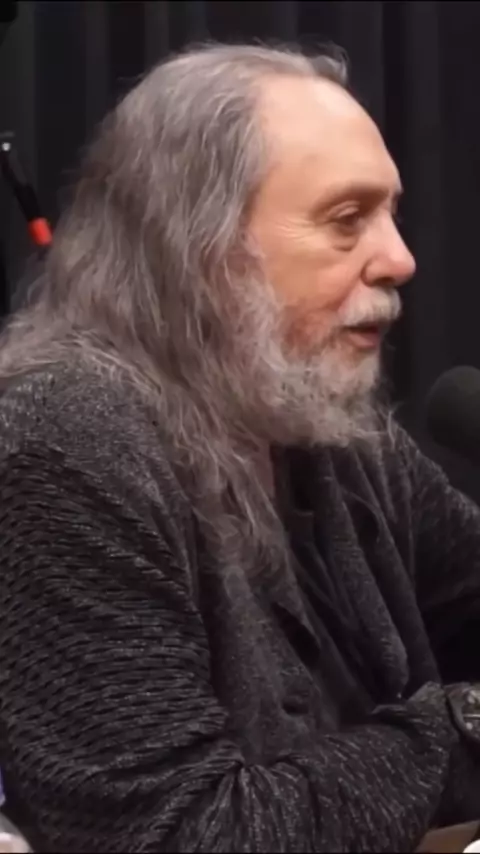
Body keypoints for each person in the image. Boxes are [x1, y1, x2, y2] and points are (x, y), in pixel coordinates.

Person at [0, 42, 479, 854]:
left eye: (392, 215)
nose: (401, 259)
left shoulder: (324, 423)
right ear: (198, 247)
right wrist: (461, 729)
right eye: (347, 220)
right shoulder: (61, 444)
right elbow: (180, 834)